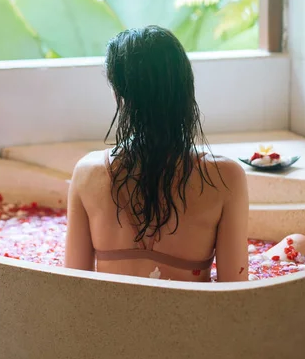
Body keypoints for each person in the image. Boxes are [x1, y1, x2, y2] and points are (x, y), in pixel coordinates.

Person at [65, 26, 250, 282]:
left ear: (120, 95)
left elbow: (72, 287)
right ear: (185, 90)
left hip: (109, 320)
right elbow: (236, 290)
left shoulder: (87, 173)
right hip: (190, 320)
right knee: (296, 242)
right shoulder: (224, 177)